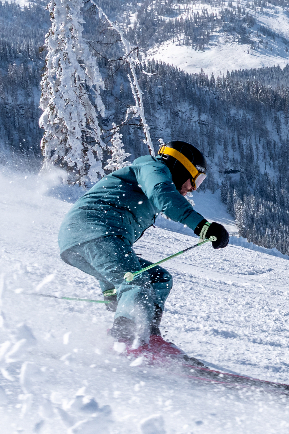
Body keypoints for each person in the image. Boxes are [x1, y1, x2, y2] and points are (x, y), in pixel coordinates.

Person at [57, 140, 229, 357]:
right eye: (196, 179)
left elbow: (110, 255)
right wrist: (203, 226)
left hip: (81, 239)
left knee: (158, 278)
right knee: (135, 283)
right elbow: (163, 195)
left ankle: (149, 335)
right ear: (181, 167)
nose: (193, 188)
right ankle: (123, 342)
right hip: (94, 229)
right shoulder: (153, 169)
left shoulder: (146, 176)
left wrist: (110, 288)